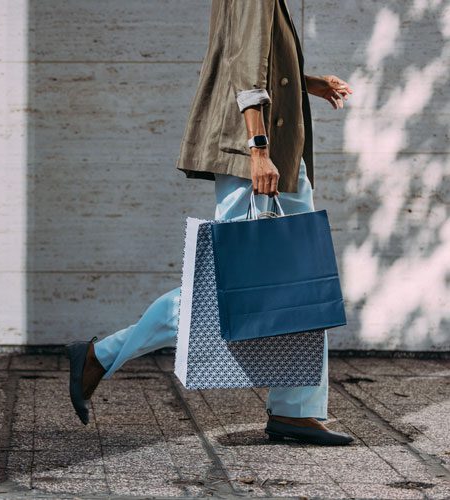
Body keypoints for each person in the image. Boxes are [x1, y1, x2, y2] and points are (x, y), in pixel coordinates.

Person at [65, 0, 355, 446]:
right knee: (228, 286)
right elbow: (243, 64)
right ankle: (99, 356)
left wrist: (304, 83)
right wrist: (258, 149)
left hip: (280, 148)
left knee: (301, 280)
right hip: (256, 153)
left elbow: (258, 60)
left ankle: (296, 410)